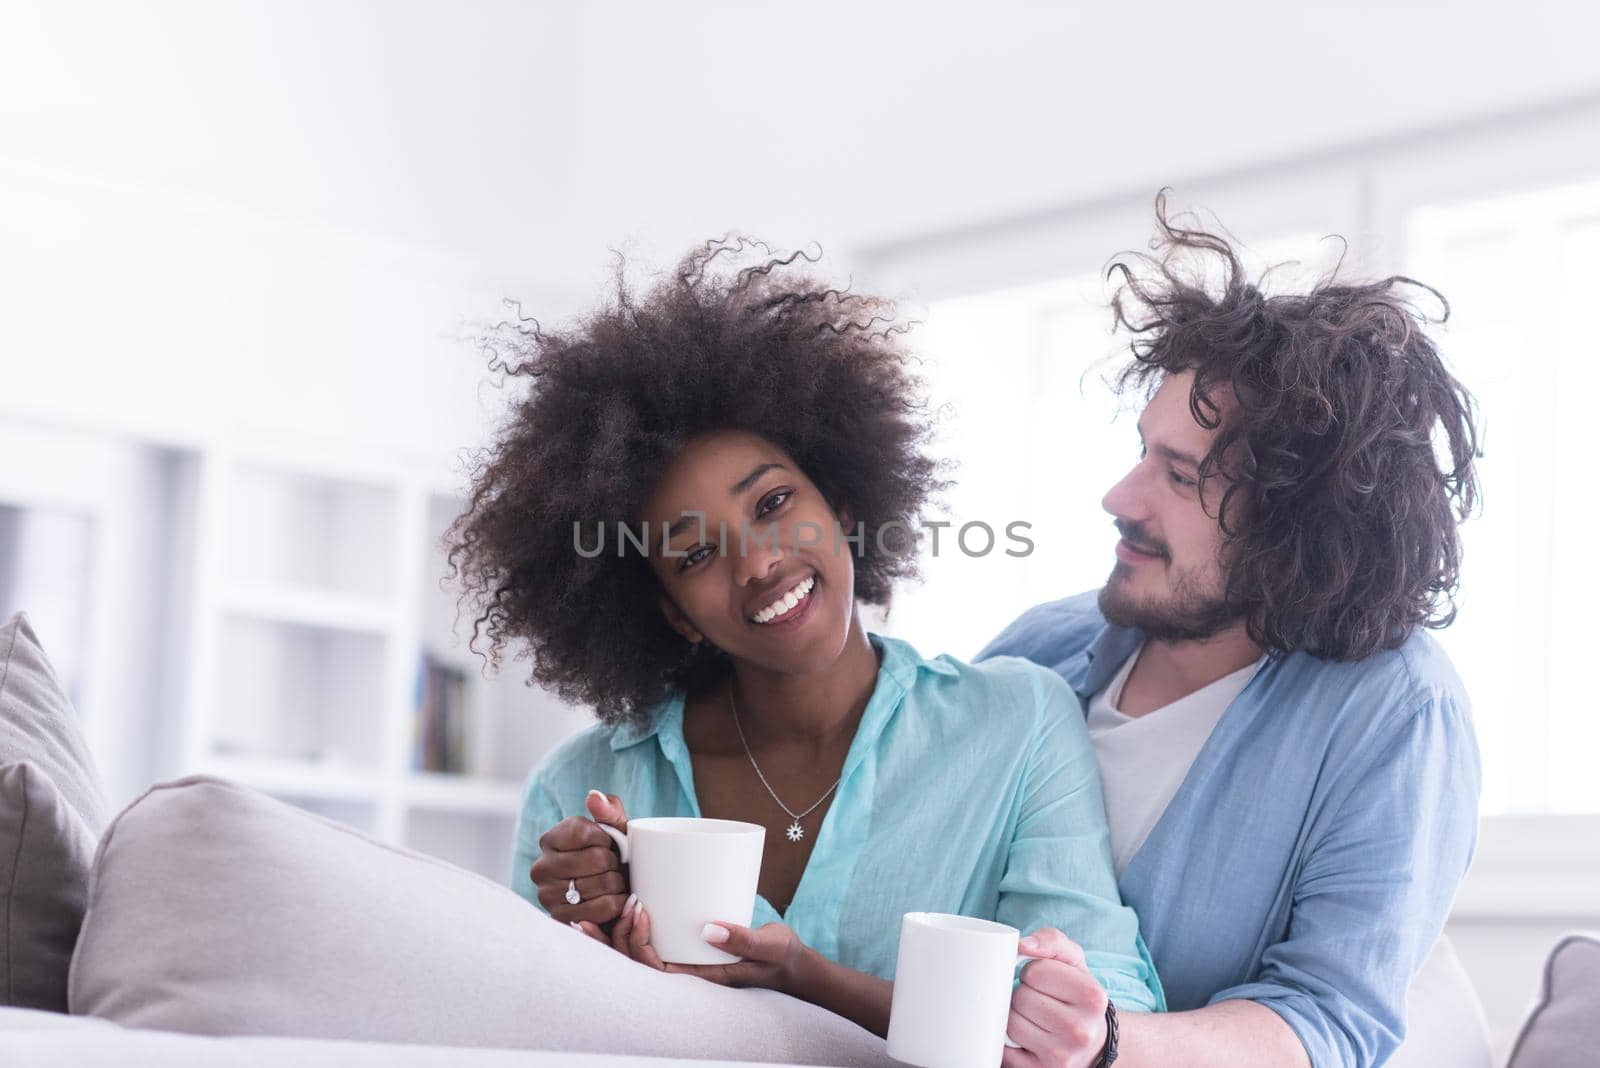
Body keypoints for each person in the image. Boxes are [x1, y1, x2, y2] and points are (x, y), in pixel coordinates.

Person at [444, 238, 1163, 1065]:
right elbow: (521, 1042)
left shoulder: (1016, 724)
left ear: (846, 503)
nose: (759, 562)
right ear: (671, 613)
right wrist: (582, 953)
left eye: (776, 502)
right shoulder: (582, 786)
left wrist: (805, 981)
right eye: (695, 555)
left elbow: (1095, 1011)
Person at [979, 198, 1483, 1068]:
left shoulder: (1396, 713)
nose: (1121, 499)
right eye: (1143, 451)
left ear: (1298, 527)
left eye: (1179, 476)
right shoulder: (1043, 649)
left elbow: (1327, 1019)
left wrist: (1103, 1044)